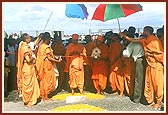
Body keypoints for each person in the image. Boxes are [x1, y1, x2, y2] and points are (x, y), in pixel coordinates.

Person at [120, 26, 164, 109]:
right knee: (149, 83)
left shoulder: (154, 40)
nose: (142, 32)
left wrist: (151, 54)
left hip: (156, 65)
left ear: (147, 32)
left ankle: (158, 102)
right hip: (149, 64)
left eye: (144, 31)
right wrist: (124, 36)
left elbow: (159, 54)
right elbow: (134, 40)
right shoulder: (144, 39)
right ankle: (150, 100)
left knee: (158, 84)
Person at [36, 33, 62, 101]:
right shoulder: (46, 47)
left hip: (43, 65)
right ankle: (46, 96)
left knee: (43, 80)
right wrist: (57, 61)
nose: (50, 40)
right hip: (47, 66)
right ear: (47, 39)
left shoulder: (41, 46)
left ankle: (43, 95)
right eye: (49, 39)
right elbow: (49, 57)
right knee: (48, 81)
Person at [17, 33, 40, 106]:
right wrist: (33, 58)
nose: (30, 38)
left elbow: (35, 43)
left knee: (28, 84)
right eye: (29, 37)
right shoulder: (25, 48)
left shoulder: (22, 46)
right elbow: (28, 59)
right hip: (28, 67)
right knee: (28, 85)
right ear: (26, 38)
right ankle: (29, 101)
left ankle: (29, 100)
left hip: (27, 68)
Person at [122, 36, 145, 103]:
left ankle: (137, 99)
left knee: (138, 79)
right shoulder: (144, 40)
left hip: (138, 61)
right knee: (145, 79)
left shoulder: (132, 44)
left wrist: (123, 50)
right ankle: (145, 97)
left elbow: (127, 54)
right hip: (147, 60)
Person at [108, 33, 124, 98]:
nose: (111, 38)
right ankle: (115, 90)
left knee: (119, 78)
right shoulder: (112, 43)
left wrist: (113, 61)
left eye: (113, 37)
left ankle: (121, 91)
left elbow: (118, 54)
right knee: (112, 78)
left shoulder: (118, 44)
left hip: (117, 63)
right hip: (112, 62)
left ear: (116, 38)